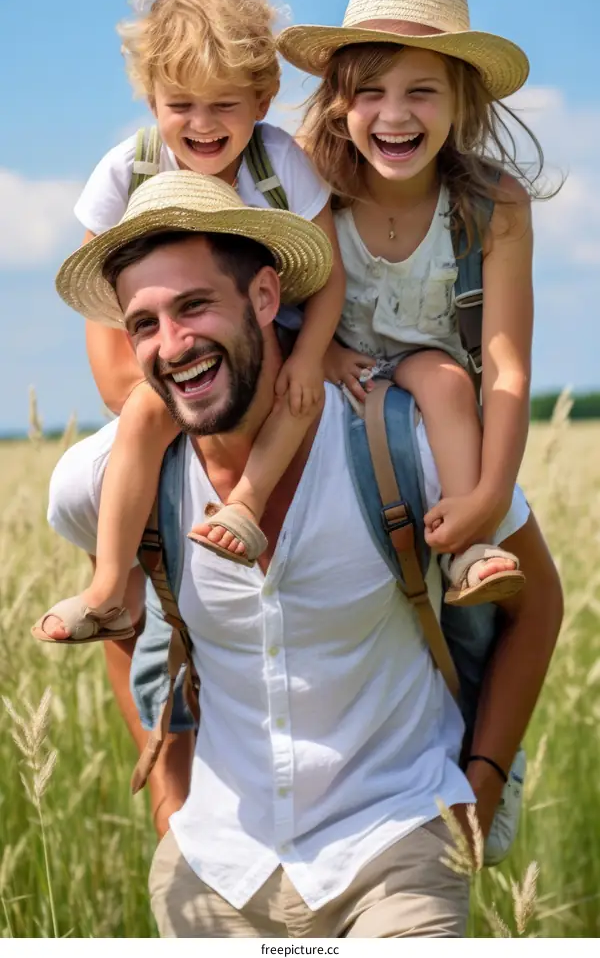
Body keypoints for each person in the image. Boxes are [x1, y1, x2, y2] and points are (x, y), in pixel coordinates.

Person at [46, 173, 562, 938]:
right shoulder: (101, 481)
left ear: (264, 296)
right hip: (215, 867)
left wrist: (481, 786)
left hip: (399, 841)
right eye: (144, 323)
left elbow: (537, 602)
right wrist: (169, 797)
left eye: (194, 306)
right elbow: (118, 614)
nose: (172, 345)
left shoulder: (404, 441)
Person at [31, 0, 345, 644]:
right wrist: (124, 387)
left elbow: (327, 275)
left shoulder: (280, 164)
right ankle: (113, 585)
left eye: (223, 105)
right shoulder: (127, 170)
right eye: (181, 106)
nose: (202, 125)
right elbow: (101, 295)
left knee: (296, 398)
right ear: (151, 99)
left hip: (270, 334)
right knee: (142, 421)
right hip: (174, 354)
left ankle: (247, 504)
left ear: (263, 100)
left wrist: (309, 356)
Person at [272, 0, 555, 607]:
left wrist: (491, 496)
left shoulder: (494, 205)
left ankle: (468, 549)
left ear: (461, 100)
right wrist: (322, 353)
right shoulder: (310, 179)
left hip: (432, 382)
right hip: (328, 372)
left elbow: (507, 367)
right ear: (340, 101)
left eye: (421, 91)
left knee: (447, 382)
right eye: (370, 91)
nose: (393, 115)